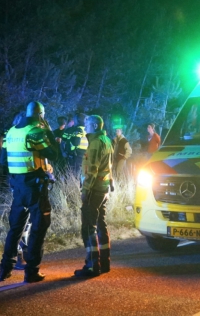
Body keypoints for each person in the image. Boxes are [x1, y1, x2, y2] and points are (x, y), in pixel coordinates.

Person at [0, 101, 58, 283]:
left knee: (15, 228)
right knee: (39, 226)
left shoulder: (11, 132)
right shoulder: (36, 132)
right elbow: (56, 154)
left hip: (18, 186)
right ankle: (31, 270)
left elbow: (3, 161)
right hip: (35, 187)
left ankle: (5, 268)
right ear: (40, 115)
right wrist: (48, 130)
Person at [74, 115, 113, 277]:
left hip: (94, 190)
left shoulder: (96, 143)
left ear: (95, 125)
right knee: (100, 223)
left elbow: (92, 170)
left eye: (87, 124)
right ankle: (104, 262)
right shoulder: (107, 140)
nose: (85, 127)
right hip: (103, 189)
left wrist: (85, 191)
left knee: (89, 227)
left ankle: (92, 266)